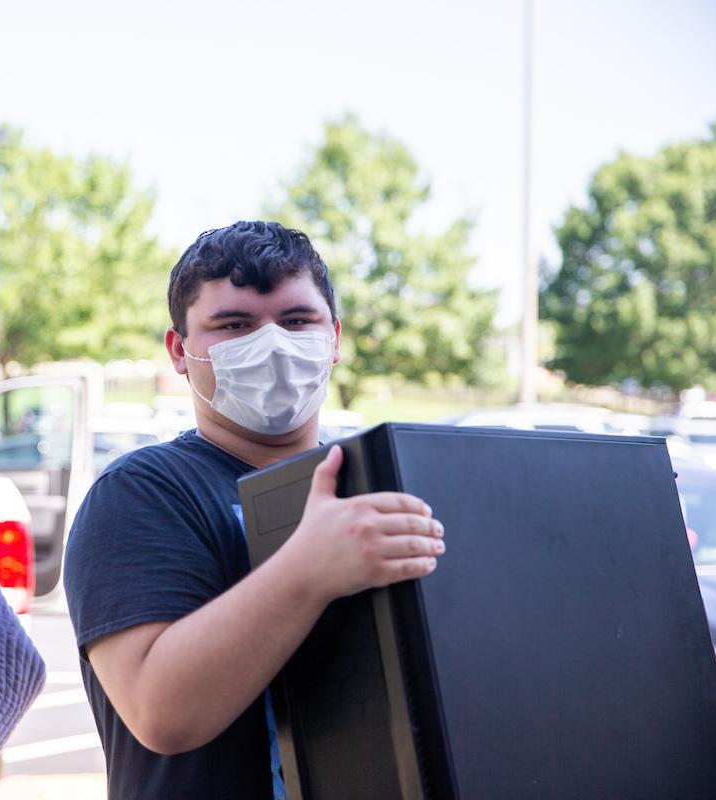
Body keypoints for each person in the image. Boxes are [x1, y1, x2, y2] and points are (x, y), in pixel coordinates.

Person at [64, 220, 447, 799]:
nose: (272, 343)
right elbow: (161, 711)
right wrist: (309, 570)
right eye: (235, 325)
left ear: (334, 339)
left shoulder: (373, 485)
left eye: (297, 321)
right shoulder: (142, 493)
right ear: (179, 351)